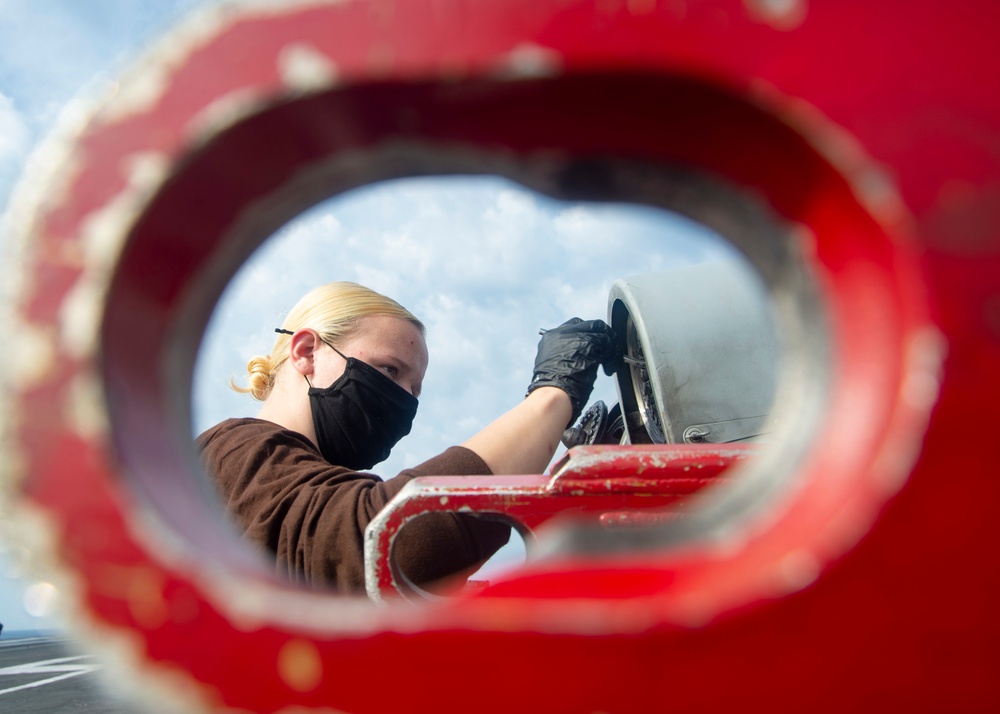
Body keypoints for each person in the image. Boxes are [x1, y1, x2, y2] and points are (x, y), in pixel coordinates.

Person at [197, 281, 620, 594]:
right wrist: (552, 395)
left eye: (415, 390)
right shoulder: (230, 449)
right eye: (390, 371)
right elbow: (376, 541)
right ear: (306, 352)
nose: (404, 400)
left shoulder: (295, 485)